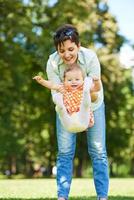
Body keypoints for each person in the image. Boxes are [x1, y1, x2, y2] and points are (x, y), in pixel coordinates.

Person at [40, 24, 109, 200]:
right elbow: (57, 93)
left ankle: (102, 197)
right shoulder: (53, 62)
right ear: (57, 49)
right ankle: (62, 196)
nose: (67, 54)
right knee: (64, 152)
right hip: (67, 108)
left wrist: (85, 104)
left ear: (78, 46)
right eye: (62, 50)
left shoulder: (91, 58)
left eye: (71, 49)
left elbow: (94, 94)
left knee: (98, 151)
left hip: (93, 105)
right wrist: (71, 113)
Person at [33, 63, 100, 132]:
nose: (73, 82)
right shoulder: (63, 87)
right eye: (69, 80)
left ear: (82, 80)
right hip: (69, 118)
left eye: (77, 79)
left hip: (83, 115)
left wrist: (97, 81)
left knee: (85, 105)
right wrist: (42, 81)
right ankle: (60, 107)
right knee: (63, 111)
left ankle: (63, 106)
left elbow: (97, 89)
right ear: (64, 81)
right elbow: (52, 85)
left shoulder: (83, 87)